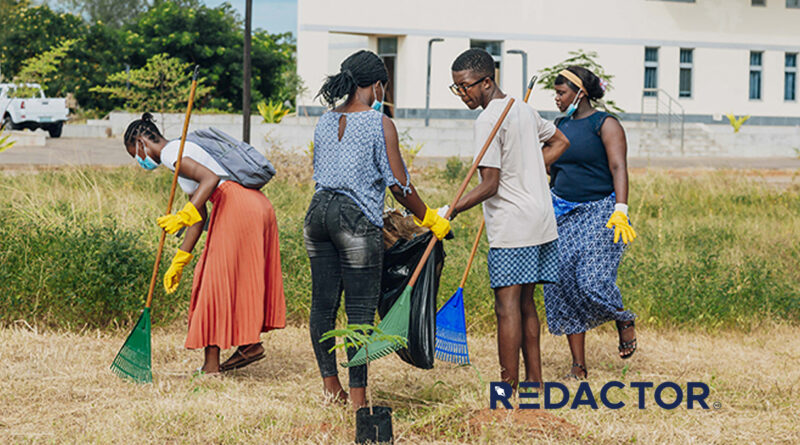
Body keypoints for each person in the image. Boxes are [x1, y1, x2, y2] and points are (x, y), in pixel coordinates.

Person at [305, 50, 451, 408]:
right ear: (376, 85)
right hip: (353, 220)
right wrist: (429, 217)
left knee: (323, 306)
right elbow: (399, 185)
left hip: (317, 215)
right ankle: (358, 401)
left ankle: (331, 388)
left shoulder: (324, 120)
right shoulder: (378, 123)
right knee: (358, 311)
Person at [122, 113, 286, 374]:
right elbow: (199, 218)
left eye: (136, 154)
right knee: (227, 278)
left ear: (141, 142)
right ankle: (247, 346)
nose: (141, 161)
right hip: (254, 206)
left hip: (237, 206)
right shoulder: (180, 150)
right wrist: (180, 259)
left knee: (212, 282)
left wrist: (183, 214)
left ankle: (214, 366)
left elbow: (209, 180)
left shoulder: (170, 153)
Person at [449, 48, 570, 390]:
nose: (462, 94)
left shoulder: (488, 120)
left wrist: (452, 208)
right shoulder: (524, 109)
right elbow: (560, 141)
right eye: (456, 87)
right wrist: (529, 166)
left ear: (487, 82)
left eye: (466, 86)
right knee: (526, 302)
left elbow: (489, 185)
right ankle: (535, 383)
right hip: (541, 218)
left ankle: (507, 388)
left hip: (514, 224)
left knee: (506, 307)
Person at [543, 66, 638, 380]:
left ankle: (622, 318)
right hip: (561, 211)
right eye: (556, 93)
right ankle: (578, 365)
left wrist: (620, 209)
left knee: (591, 280)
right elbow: (550, 169)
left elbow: (618, 166)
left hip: (600, 210)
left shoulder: (605, 124)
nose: (557, 98)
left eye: (561, 93)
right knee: (562, 284)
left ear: (580, 93)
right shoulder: (560, 125)